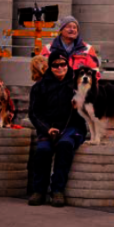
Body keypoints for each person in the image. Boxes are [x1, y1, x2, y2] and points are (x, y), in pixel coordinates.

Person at [27, 51, 87, 207]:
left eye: (63, 64)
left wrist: (80, 106)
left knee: (64, 145)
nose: (59, 68)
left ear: (67, 65)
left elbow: (93, 107)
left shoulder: (78, 84)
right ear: (50, 67)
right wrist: (47, 129)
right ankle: (39, 191)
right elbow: (34, 113)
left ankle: (57, 190)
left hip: (73, 126)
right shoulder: (39, 87)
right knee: (43, 151)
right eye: (55, 65)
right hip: (48, 127)